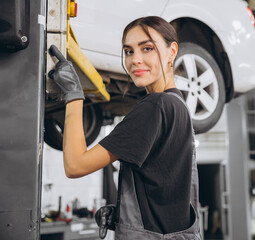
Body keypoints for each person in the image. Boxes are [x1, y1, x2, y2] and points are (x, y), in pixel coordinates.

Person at [49, 16, 201, 239]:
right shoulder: (179, 106)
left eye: (147, 48)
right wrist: (123, 214)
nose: (135, 59)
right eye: (129, 51)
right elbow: (166, 193)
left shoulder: (156, 105)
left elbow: (75, 165)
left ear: (172, 51)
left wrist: (74, 96)